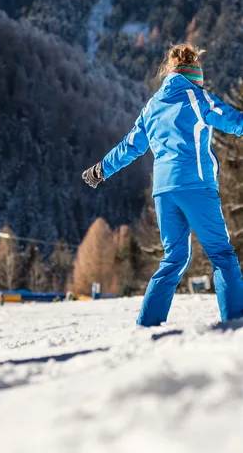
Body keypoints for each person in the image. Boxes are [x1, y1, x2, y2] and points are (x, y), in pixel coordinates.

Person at [82, 43, 243, 327]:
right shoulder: (197, 98)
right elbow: (231, 120)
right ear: (195, 75)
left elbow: (131, 146)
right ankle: (235, 322)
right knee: (221, 254)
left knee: (174, 258)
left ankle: (147, 324)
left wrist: (101, 169)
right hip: (196, 186)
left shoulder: (152, 106)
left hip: (164, 192)